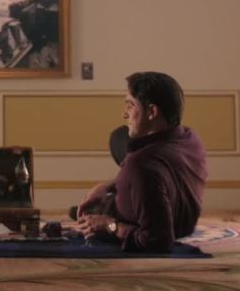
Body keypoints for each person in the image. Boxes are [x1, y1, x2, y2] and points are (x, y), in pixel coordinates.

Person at [74, 71, 208, 253]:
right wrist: (107, 185)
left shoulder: (139, 165)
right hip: (183, 222)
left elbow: (158, 241)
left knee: (126, 151)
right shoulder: (191, 138)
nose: (124, 114)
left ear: (152, 112)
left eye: (130, 106)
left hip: (139, 208)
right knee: (120, 136)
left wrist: (110, 226)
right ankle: (116, 189)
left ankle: (103, 207)